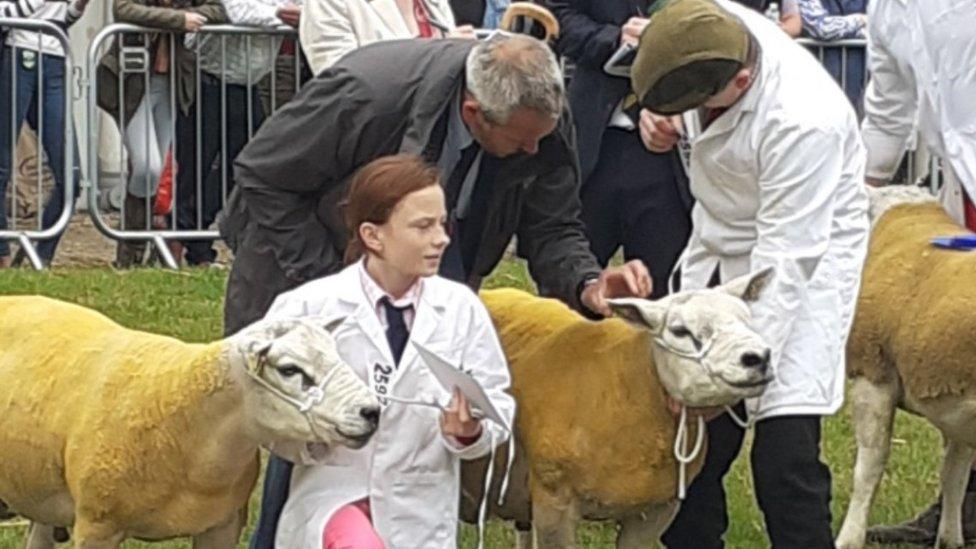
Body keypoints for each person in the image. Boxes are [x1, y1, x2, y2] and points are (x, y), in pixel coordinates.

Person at [220, 34, 652, 548]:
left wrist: (588, 283)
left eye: (541, 137)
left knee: (417, 415)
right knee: (317, 432)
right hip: (305, 266)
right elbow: (264, 176)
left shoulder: (540, 117)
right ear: (474, 113)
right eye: (520, 141)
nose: (534, 149)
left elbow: (553, 226)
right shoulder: (368, 93)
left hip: (434, 271)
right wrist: (343, 282)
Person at [631, 0, 869, 546]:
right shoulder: (706, 25)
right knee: (688, 448)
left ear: (742, 80)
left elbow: (785, 263)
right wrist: (657, 117)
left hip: (804, 261)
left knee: (784, 455)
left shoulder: (806, 120)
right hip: (719, 237)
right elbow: (664, 75)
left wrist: (726, 376)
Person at [265, 154, 514, 548]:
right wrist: (313, 434)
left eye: (442, 224)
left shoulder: (461, 310)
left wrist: (469, 433)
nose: (442, 239)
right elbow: (266, 413)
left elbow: (499, 403)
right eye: (423, 226)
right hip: (334, 496)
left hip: (419, 510)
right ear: (372, 235)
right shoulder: (307, 309)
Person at [859, 0, 976, 544]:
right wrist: (859, 189)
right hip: (963, 187)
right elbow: (888, 106)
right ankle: (966, 509)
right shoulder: (886, 9)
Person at [549, 0, 692, 299]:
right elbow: (559, 18)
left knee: (661, 292)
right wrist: (614, 39)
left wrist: (671, 40)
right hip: (595, 141)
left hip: (670, 155)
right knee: (568, 292)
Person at [165, 0, 299, 267]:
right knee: (195, 168)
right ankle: (180, 247)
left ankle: (196, 238)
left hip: (246, 84)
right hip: (208, 80)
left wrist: (295, 15)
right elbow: (236, 10)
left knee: (243, 168)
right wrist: (280, 15)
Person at [98, 0, 226, 268]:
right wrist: (178, 20)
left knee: (157, 172)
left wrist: (189, 17)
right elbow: (123, 9)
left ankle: (136, 253)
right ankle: (132, 246)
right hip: (132, 82)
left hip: (172, 83)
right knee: (148, 166)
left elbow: (216, 9)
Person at [0, 0, 89, 268]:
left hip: (55, 57)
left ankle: (41, 255)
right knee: (2, 165)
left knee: (71, 176)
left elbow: (62, 19)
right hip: (15, 55)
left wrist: (79, 6)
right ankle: (3, 250)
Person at [300, 0, 463, 75]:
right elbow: (341, 81)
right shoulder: (327, 2)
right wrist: (440, 56)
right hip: (373, 134)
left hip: (433, 130)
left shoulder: (432, 3)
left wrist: (464, 54)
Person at [798, 0, 867, 114]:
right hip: (817, 86)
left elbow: (882, 26)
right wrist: (861, 20)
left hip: (859, 88)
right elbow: (821, 27)